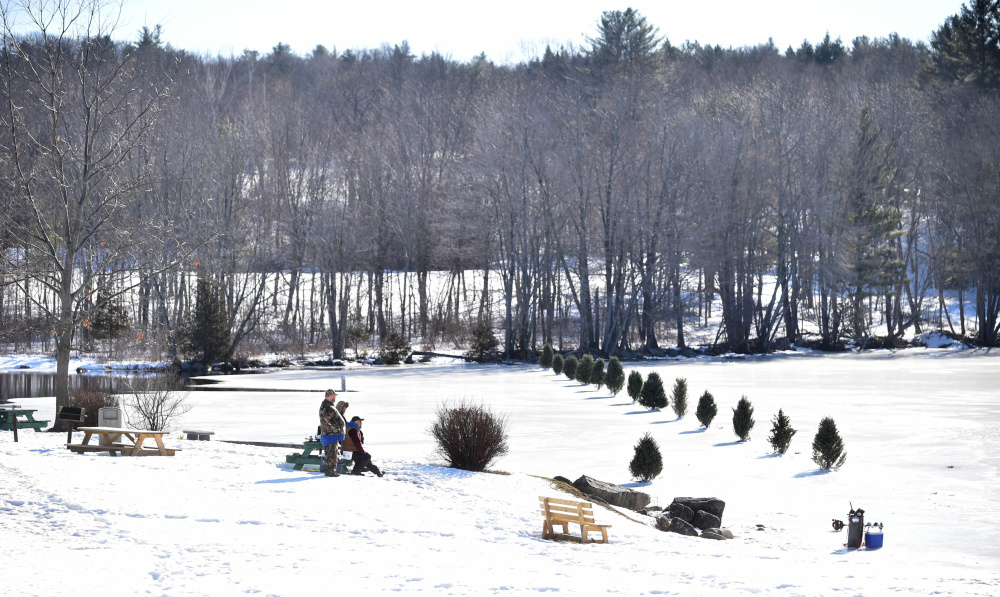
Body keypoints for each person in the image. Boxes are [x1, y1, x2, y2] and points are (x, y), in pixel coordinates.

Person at [318, 390, 347, 477]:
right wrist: (337, 429)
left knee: (332, 453)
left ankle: (331, 470)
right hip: (330, 434)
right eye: (334, 396)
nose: (335, 397)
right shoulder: (327, 406)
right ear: (331, 396)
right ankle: (330, 471)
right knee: (331, 454)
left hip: (331, 434)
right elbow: (328, 421)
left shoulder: (328, 405)